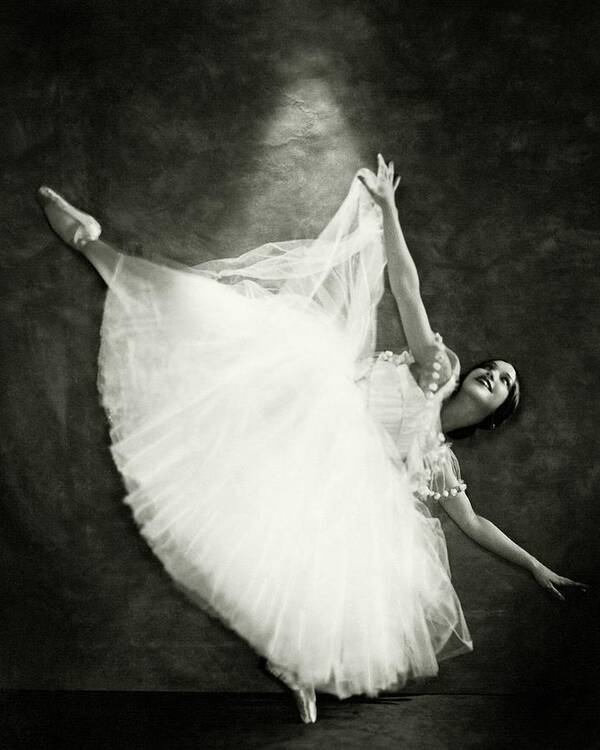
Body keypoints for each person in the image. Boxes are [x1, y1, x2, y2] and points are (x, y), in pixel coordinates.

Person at [38, 155, 586, 724]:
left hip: (315, 472)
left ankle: (295, 666)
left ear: (495, 414)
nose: (498, 374)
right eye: (495, 368)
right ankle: (95, 246)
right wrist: (389, 209)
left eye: (507, 384)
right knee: (217, 315)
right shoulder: (437, 370)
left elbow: (474, 525)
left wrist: (535, 567)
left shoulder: (436, 461)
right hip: (309, 397)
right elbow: (406, 287)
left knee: (331, 569)